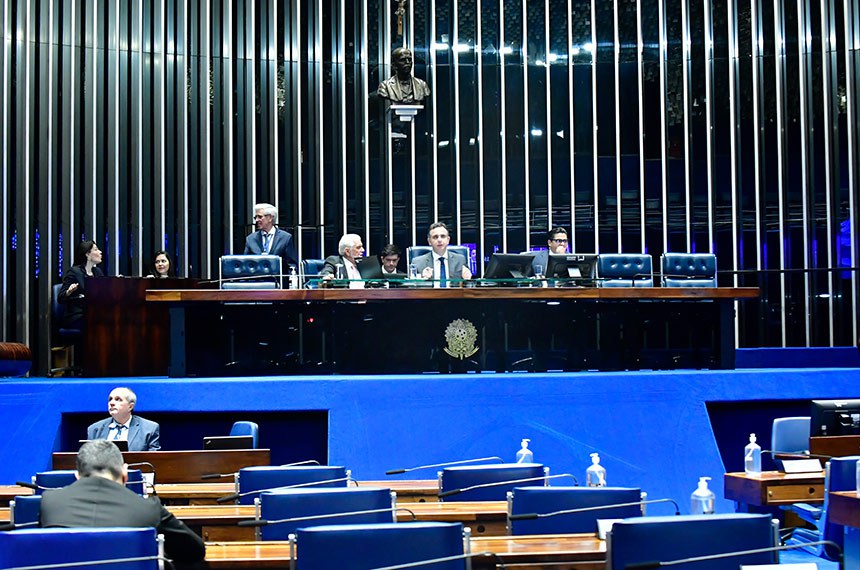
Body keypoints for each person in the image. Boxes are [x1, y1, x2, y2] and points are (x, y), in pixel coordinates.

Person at [40, 440, 205, 568]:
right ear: (125, 474)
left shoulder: (50, 502)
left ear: (77, 476)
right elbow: (195, 552)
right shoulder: (148, 508)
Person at [87, 387, 161, 452]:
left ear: (130, 406)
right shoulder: (94, 429)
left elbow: (154, 462)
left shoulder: (149, 429)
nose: (112, 403)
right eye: (110, 399)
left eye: (118, 399)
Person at [58, 240, 104, 329]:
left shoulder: (98, 272)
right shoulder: (74, 272)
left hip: (94, 314)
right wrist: (68, 292)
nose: (100, 252)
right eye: (96, 250)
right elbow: (60, 298)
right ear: (87, 254)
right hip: (77, 317)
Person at [411, 222, 471, 287]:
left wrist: (467, 279)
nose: (439, 240)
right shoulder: (418, 262)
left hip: (454, 296)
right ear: (429, 241)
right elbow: (411, 288)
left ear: (448, 240)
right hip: (430, 296)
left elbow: (466, 286)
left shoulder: (460, 260)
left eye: (443, 236)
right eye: (435, 237)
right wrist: (422, 280)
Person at [244, 202, 298, 271]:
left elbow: (291, 265)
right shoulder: (250, 239)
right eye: (255, 217)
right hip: (257, 279)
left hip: (277, 280)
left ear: (270, 218)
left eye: (260, 217)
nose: (257, 220)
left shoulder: (285, 238)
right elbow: (245, 264)